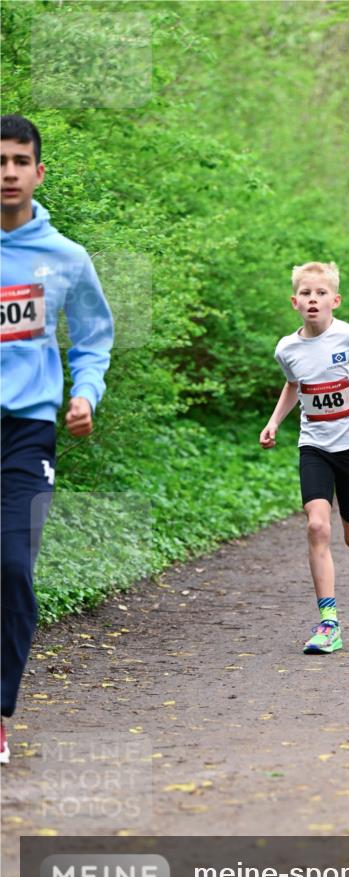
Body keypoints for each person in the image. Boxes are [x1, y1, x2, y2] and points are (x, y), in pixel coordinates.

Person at [1, 114, 114, 764]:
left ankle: (0, 712)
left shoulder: (65, 258)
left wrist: (84, 392)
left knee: (12, 567)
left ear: (38, 172)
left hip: (27, 433)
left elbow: (95, 339)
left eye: (20, 160)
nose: (8, 171)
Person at [259, 261, 349, 653]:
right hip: (315, 445)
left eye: (321, 293)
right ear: (294, 301)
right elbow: (294, 385)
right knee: (317, 527)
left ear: (334, 300)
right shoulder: (287, 348)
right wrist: (274, 422)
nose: (313, 300)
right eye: (306, 293)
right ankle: (328, 623)